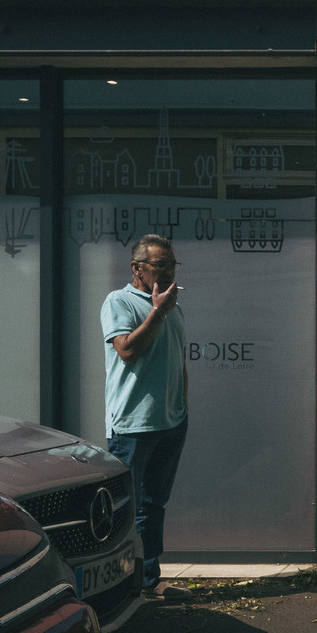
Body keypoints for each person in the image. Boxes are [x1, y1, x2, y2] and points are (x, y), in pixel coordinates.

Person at [102, 233, 190, 599]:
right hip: (133, 425)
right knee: (126, 509)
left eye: (172, 265)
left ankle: (149, 580)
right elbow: (126, 350)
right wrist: (157, 312)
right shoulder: (119, 301)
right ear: (137, 268)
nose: (168, 272)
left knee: (154, 505)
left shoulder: (171, 305)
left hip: (171, 422)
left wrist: (182, 405)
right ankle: (119, 587)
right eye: (160, 265)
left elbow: (177, 359)